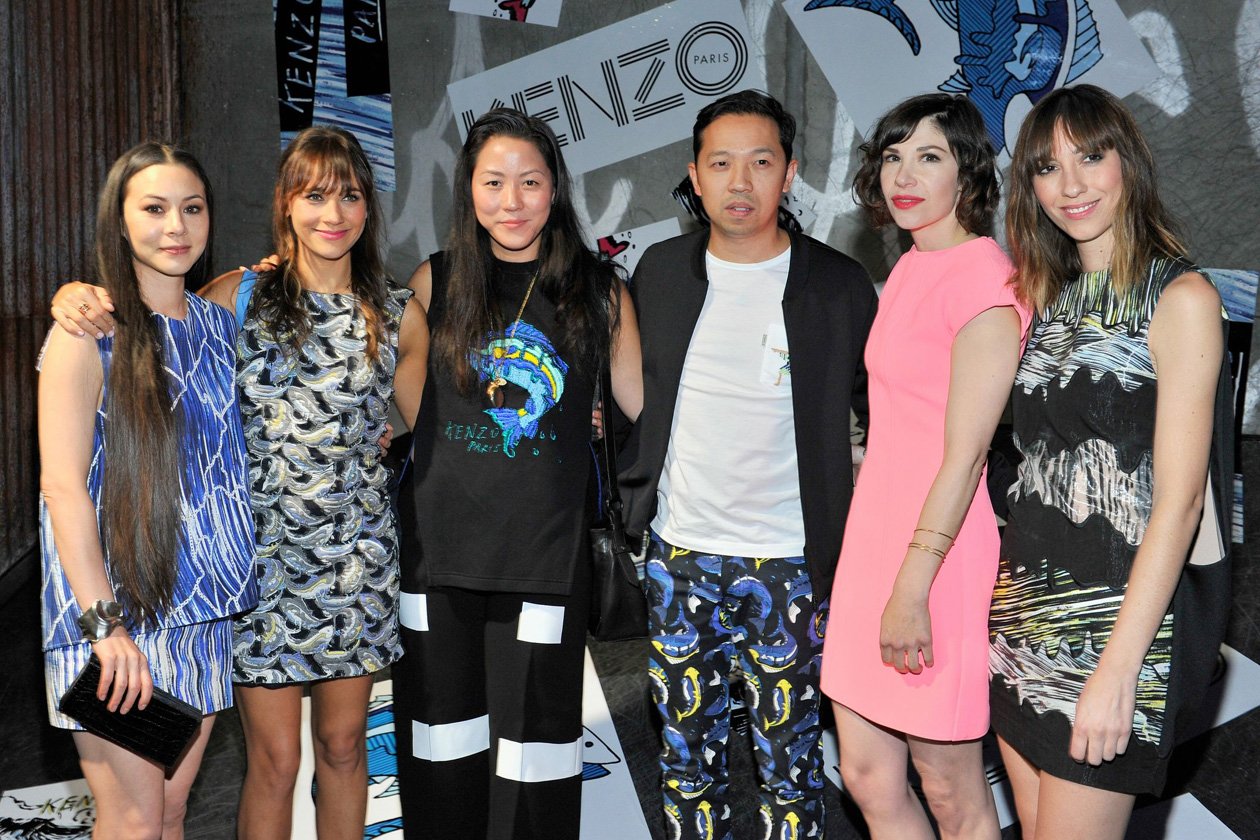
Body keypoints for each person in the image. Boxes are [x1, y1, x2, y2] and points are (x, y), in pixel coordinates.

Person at [52, 126, 428, 840]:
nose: (333, 213)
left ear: (369, 207)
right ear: (285, 204)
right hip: (254, 572)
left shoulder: (396, 313)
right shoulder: (237, 296)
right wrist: (78, 295)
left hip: (355, 566)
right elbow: (148, 320)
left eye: (349, 195)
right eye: (314, 195)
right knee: (272, 762)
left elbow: (433, 432)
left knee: (344, 748)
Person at [618, 89, 878, 839]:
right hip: (681, 556)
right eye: (721, 164)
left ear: (789, 173)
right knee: (685, 763)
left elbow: (883, 415)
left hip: (791, 562)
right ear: (694, 177)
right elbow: (637, 395)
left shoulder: (837, 285)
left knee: (791, 766)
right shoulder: (659, 272)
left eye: (761, 163)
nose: (740, 182)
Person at [390, 107, 641, 840]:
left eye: (530, 181)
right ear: (469, 189)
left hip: (544, 559)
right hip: (438, 557)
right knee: (441, 742)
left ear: (554, 188)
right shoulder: (436, 280)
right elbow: (403, 398)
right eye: (493, 182)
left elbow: (643, 410)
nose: (512, 201)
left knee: (538, 753)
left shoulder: (599, 290)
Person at [990, 84, 1232, 840]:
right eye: (1047, 167)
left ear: (1128, 161)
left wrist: (1118, 670)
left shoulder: (1180, 297)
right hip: (1021, 615)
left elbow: (1180, 504)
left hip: (1117, 632)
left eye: (1090, 158)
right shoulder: (1052, 299)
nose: (1071, 184)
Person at [818, 94, 1029, 840]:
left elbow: (966, 459)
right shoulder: (911, 265)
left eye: (929, 157)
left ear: (968, 174)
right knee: (867, 776)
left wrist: (912, 588)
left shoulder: (987, 283)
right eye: (893, 156)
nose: (903, 176)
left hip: (935, 558)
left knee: (949, 789)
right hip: (873, 542)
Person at [39, 142, 258, 837]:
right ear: (120, 219)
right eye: (155, 209)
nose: (176, 227)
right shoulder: (87, 332)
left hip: (205, 616)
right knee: (133, 819)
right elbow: (61, 488)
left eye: (192, 208)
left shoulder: (219, 327)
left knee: (169, 813)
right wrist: (105, 630)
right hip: (115, 619)